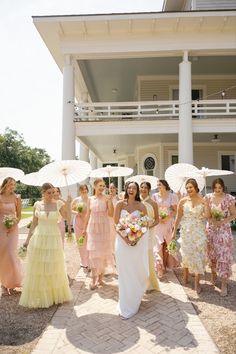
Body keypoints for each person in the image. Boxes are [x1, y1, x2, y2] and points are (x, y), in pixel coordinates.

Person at [19, 183, 72, 308]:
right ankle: (42, 296)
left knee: (53, 266)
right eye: (49, 192)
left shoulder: (58, 204)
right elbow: (33, 224)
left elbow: (68, 218)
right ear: (42, 193)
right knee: (39, 267)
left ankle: (53, 295)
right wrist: (27, 241)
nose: (52, 195)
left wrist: (68, 204)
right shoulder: (37, 205)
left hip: (53, 238)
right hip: (39, 238)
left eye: (53, 192)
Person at [114, 181, 149, 319]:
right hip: (122, 242)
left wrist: (136, 239)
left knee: (135, 270)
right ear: (126, 189)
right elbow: (116, 223)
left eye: (134, 188)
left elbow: (145, 224)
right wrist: (126, 239)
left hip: (136, 244)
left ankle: (135, 298)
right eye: (129, 187)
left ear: (137, 191)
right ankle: (125, 302)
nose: (131, 189)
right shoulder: (119, 204)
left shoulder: (141, 206)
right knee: (124, 272)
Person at [172, 178, 209, 294]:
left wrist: (207, 204)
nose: (188, 189)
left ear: (196, 187)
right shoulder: (182, 201)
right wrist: (173, 233)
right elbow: (178, 218)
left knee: (198, 255)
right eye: (187, 188)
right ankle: (185, 276)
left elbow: (207, 216)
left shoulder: (203, 200)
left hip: (198, 232)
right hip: (186, 232)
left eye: (191, 187)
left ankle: (197, 282)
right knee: (186, 254)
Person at [206, 178, 236, 296]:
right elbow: (207, 215)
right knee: (212, 254)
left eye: (220, 188)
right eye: (215, 188)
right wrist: (213, 220)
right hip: (211, 229)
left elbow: (234, 215)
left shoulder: (229, 198)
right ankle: (213, 275)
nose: (218, 190)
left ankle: (224, 284)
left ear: (223, 187)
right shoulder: (208, 197)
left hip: (224, 231)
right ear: (213, 187)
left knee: (223, 255)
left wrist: (222, 222)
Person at [83, 178, 114, 290]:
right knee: (93, 254)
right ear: (94, 186)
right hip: (92, 228)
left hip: (104, 227)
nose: (102, 188)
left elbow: (111, 214)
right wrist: (84, 228)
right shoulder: (90, 199)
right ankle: (93, 279)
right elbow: (87, 214)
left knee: (103, 253)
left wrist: (110, 202)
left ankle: (101, 278)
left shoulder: (106, 198)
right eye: (100, 185)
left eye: (103, 186)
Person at [0, 177, 22, 295]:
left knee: (10, 253)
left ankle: (13, 283)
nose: (12, 186)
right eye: (10, 184)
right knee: (2, 255)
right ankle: (3, 284)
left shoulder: (17, 198)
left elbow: (19, 215)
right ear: (5, 184)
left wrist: (14, 225)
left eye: (14, 184)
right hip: (0, 228)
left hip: (13, 228)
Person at [152, 179, 179, 278]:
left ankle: (167, 264)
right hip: (158, 223)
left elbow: (175, 210)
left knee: (167, 244)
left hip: (168, 222)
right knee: (158, 244)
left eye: (160, 184)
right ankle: (159, 268)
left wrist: (168, 217)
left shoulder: (172, 196)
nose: (158, 186)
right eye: (157, 185)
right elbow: (154, 209)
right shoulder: (154, 196)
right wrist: (158, 217)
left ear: (164, 185)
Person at [140, 181, 160, 292]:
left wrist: (149, 226)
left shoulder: (153, 203)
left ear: (149, 190)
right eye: (141, 187)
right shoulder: (136, 202)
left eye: (145, 188)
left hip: (149, 232)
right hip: (138, 232)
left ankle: (149, 283)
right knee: (139, 256)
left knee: (148, 256)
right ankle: (140, 282)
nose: (143, 189)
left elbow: (157, 219)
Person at [71, 184, 90, 271]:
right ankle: (83, 261)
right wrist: (77, 213)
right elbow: (70, 209)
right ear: (80, 191)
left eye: (86, 189)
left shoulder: (90, 199)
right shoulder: (76, 200)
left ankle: (89, 261)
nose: (84, 191)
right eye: (82, 189)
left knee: (89, 241)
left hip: (88, 222)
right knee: (81, 241)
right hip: (78, 222)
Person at [108, 182, 119, 252]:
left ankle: (116, 253)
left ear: (116, 189)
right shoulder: (107, 198)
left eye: (113, 188)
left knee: (115, 237)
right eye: (110, 188)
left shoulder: (119, 198)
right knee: (109, 237)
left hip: (116, 220)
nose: (112, 189)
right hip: (108, 220)